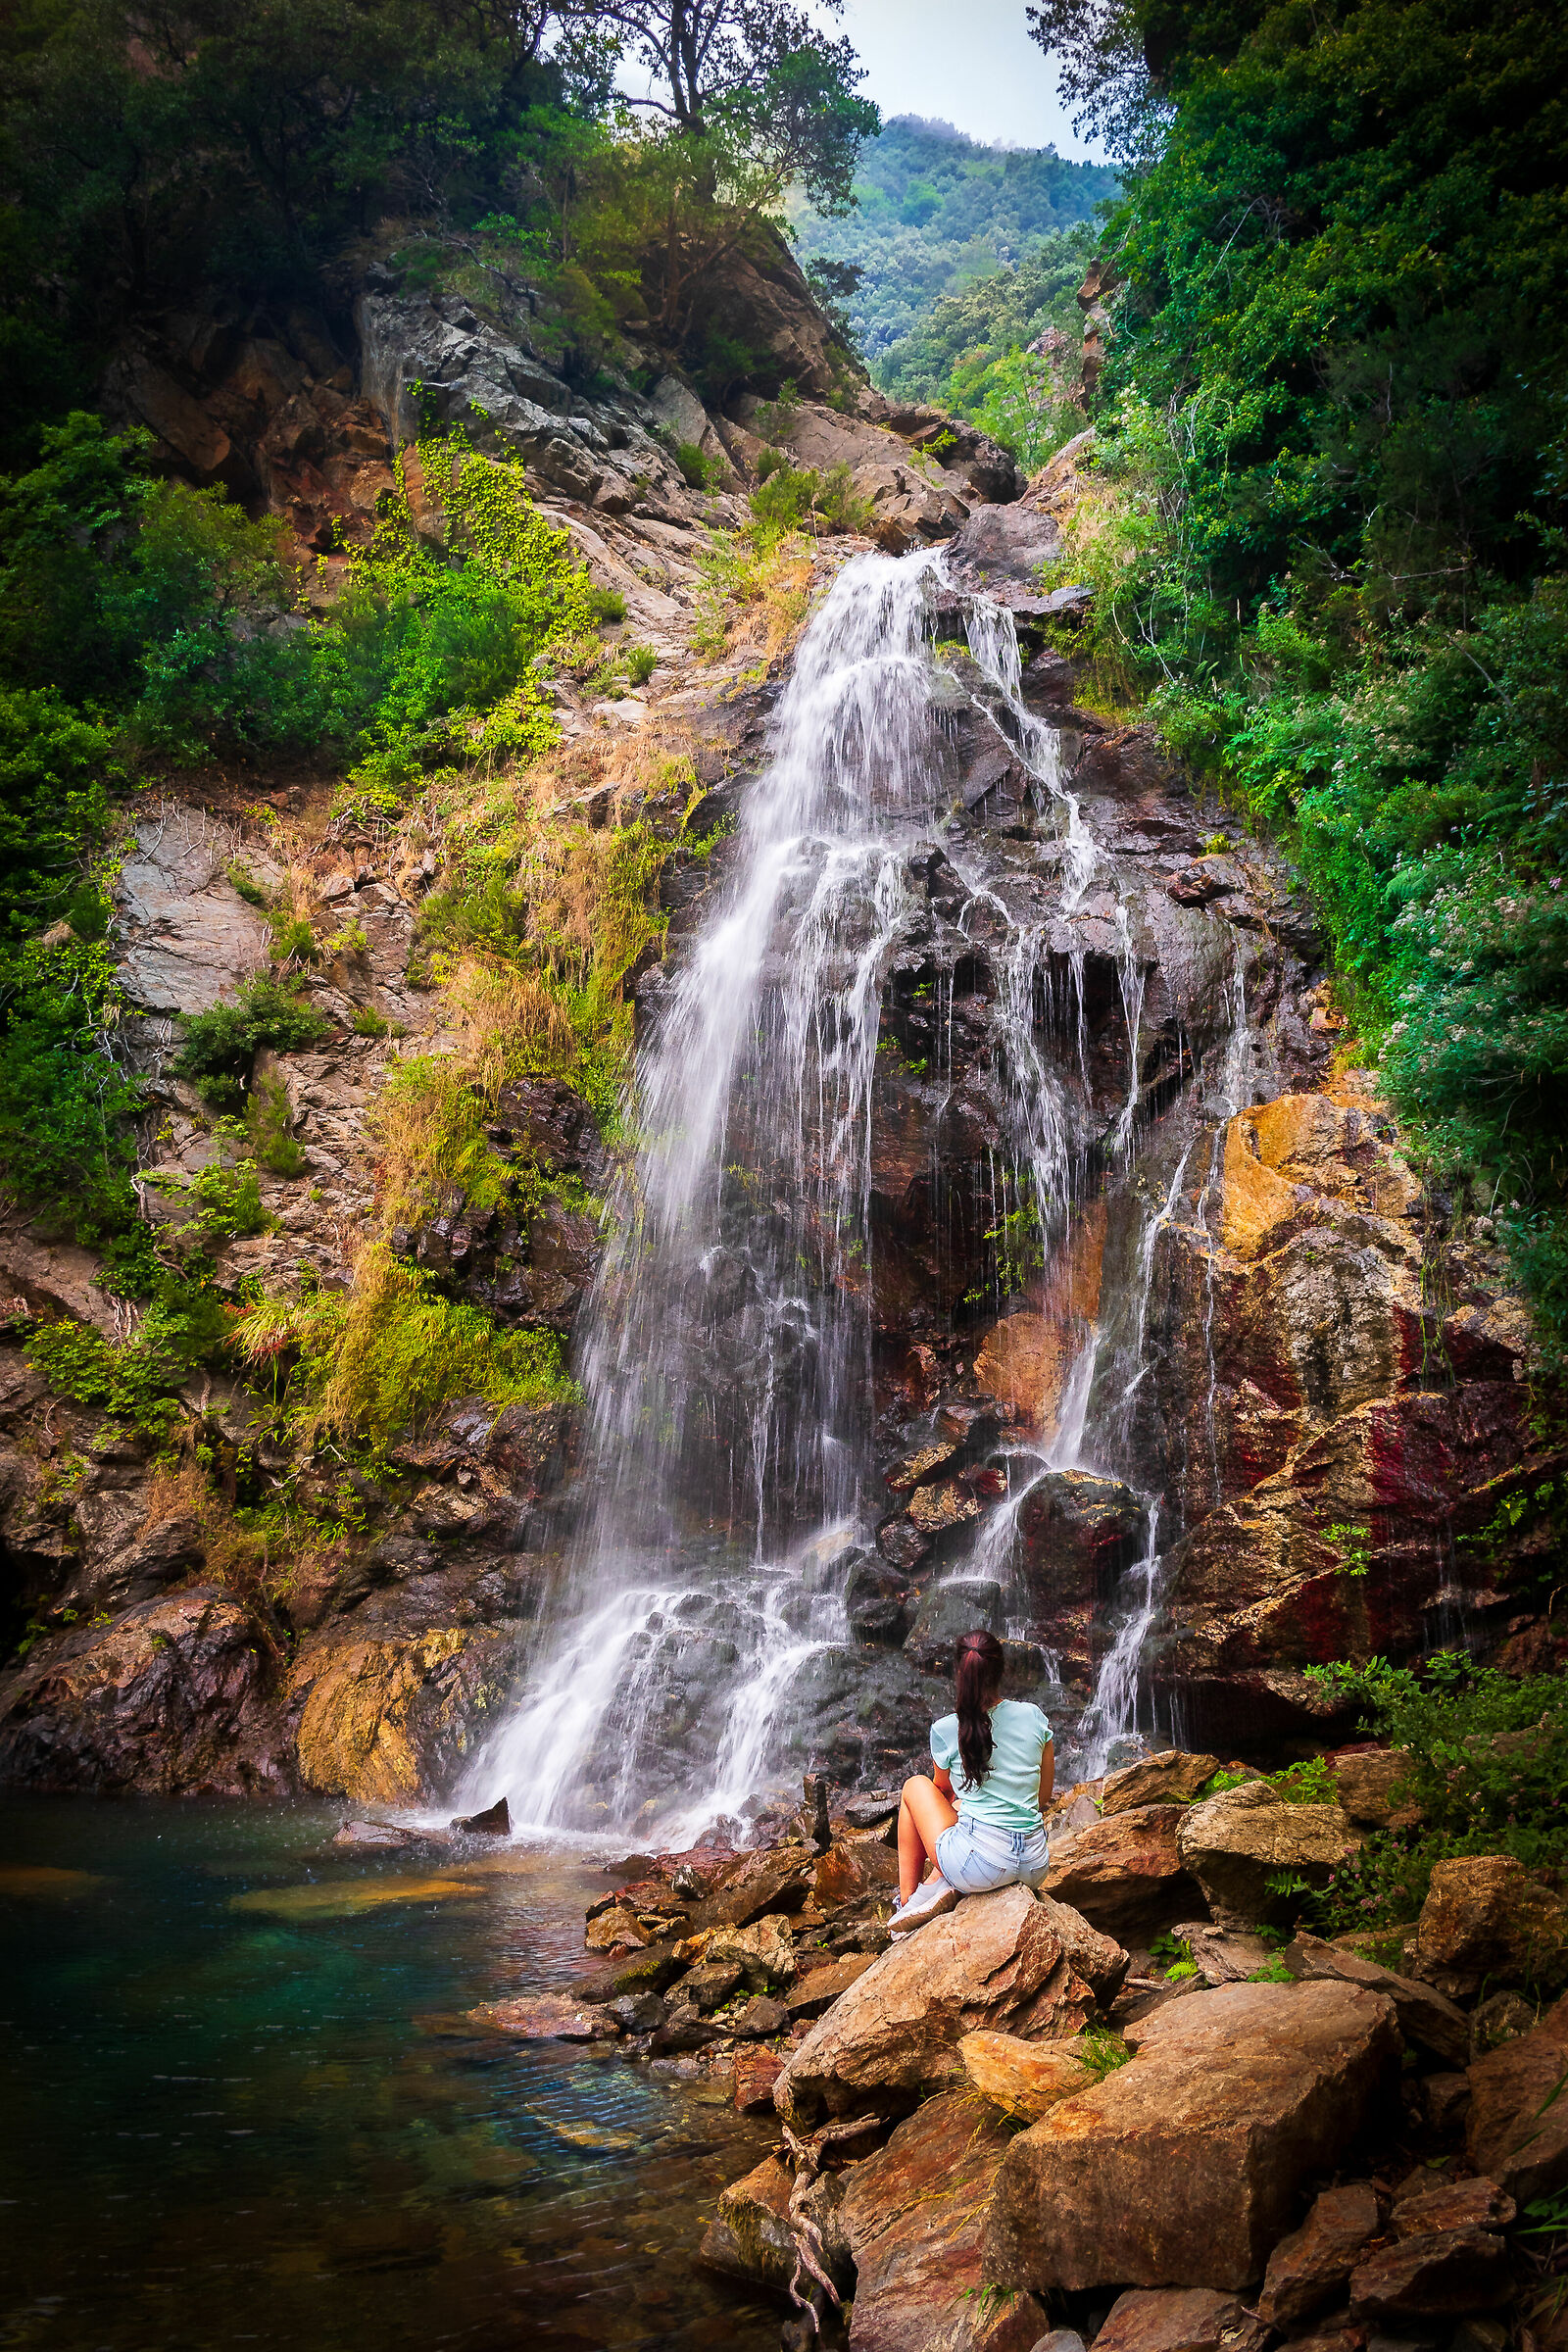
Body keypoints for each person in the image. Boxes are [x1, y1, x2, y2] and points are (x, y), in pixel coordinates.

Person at [889, 1628, 1054, 1934]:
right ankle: (938, 1883)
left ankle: (909, 1902)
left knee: (915, 1787)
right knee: (964, 1807)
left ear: (959, 1674)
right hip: (1035, 1864)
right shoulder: (1034, 1717)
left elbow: (941, 1792)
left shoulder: (946, 1729)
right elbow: (1040, 1798)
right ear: (1001, 1669)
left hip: (981, 1868)